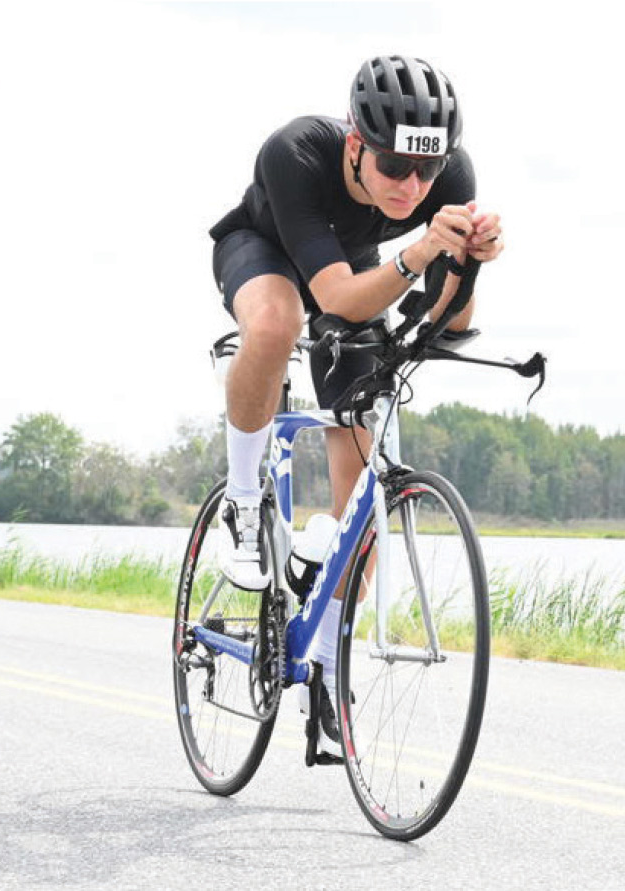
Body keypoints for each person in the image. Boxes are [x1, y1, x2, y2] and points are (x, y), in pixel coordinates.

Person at [207, 54, 504, 744]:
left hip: (359, 267)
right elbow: (333, 297)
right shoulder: (296, 153)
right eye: (395, 167)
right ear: (355, 145)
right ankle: (245, 500)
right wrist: (422, 251)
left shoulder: (449, 178)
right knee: (279, 324)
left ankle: (320, 661)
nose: (412, 185)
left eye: (426, 171)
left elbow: (447, 321)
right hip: (267, 251)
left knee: (360, 510)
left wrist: (470, 265)